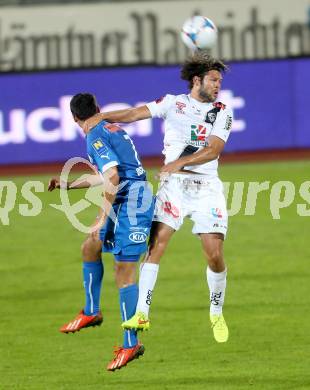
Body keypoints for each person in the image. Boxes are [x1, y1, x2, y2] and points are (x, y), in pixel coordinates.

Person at [85, 52, 233, 344]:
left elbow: (213, 150)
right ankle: (142, 312)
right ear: (197, 80)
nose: (218, 85)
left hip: (206, 188)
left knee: (214, 254)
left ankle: (216, 311)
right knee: (156, 246)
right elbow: (133, 114)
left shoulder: (223, 111)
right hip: (174, 186)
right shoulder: (172, 103)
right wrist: (102, 116)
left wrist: (177, 163)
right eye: (213, 79)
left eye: (219, 80)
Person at [48, 93, 154, 371]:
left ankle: (131, 345)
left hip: (134, 202)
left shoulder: (95, 135)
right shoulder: (107, 128)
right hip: (124, 196)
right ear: (97, 109)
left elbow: (114, 177)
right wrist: (68, 185)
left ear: (73, 118)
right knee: (90, 246)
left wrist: (99, 217)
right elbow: (106, 176)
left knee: (124, 271)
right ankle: (92, 312)